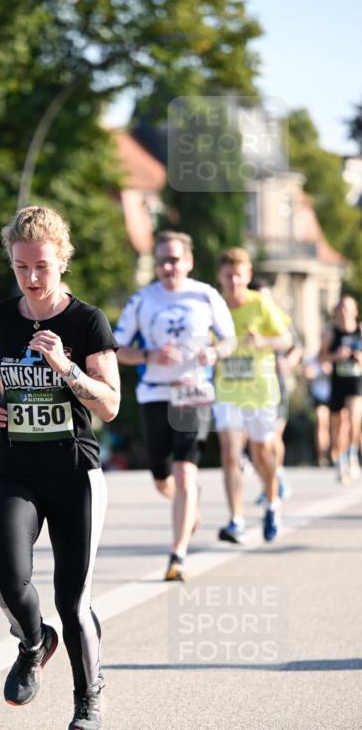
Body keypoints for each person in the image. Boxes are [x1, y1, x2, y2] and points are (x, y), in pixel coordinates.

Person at [0, 205, 120, 730]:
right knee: (6, 580)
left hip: (75, 473)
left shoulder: (86, 321)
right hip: (18, 472)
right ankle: (33, 643)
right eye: (21, 267)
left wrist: (67, 368)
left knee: (72, 599)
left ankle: (88, 697)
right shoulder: (0, 317)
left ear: (63, 262)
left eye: (42, 267)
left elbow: (111, 405)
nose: (31, 278)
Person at [115, 230, 236, 581]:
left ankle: (177, 555)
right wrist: (150, 354)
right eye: (163, 260)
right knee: (163, 479)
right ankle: (189, 507)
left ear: (189, 261)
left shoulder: (206, 295)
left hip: (193, 391)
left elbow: (229, 339)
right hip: (154, 391)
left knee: (185, 472)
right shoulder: (142, 299)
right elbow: (116, 348)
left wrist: (213, 351)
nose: (169, 267)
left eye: (176, 259)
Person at [212, 249, 292, 544]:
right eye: (228, 275)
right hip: (228, 391)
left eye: (239, 275)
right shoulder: (216, 306)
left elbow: (286, 339)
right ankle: (237, 520)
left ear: (247, 276)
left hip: (260, 391)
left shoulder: (261, 304)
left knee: (262, 454)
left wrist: (264, 341)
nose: (233, 281)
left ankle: (272, 504)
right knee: (231, 453)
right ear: (220, 277)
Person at [319, 296, 362, 484]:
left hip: (356, 382)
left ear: (355, 311)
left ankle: (353, 455)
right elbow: (321, 358)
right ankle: (341, 459)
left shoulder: (360, 331)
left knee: (354, 419)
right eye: (341, 309)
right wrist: (336, 356)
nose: (344, 313)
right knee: (339, 425)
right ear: (337, 312)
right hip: (338, 383)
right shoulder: (331, 333)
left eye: (348, 309)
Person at [303, 354, 332, 467]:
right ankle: (322, 456)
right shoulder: (313, 360)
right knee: (321, 424)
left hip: (334, 396)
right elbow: (308, 374)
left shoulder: (333, 357)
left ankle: (334, 454)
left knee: (334, 426)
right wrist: (320, 369)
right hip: (319, 397)